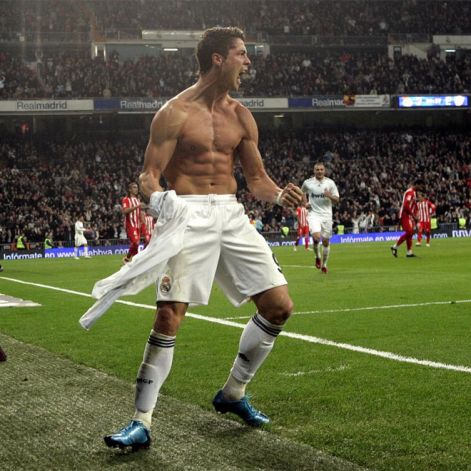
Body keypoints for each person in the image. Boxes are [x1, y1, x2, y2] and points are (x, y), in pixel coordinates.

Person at [104, 26, 303, 451]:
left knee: (279, 306)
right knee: (169, 315)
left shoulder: (242, 116)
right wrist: (160, 200)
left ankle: (233, 393)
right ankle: (140, 421)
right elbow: (148, 177)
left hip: (230, 213)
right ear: (218, 58)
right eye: (242, 54)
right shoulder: (173, 112)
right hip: (187, 213)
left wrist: (279, 195)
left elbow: (256, 179)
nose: (248, 61)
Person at [301, 162, 339, 274]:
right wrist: (305, 203)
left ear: (324, 171)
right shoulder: (308, 182)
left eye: (321, 169)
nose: (319, 171)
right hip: (313, 214)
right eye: (317, 169)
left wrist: (329, 196)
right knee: (317, 237)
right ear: (314, 171)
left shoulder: (330, 183)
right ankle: (317, 257)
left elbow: (337, 200)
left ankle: (324, 264)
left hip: (327, 215)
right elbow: (302, 192)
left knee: (326, 242)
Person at [390, 178, 425, 258]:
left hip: (409, 215)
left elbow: (412, 204)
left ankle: (409, 252)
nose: (421, 188)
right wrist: (413, 215)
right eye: (421, 186)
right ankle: (395, 247)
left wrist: (416, 213)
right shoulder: (410, 192)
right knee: (409, 232)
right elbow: (406, 205)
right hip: (405, 214)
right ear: (417, 185)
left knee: (410, 233)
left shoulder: (414, 193)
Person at [121, 182, 145, 263]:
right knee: (135, 242)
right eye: (134, 187)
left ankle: (127, 259)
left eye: (137, 187)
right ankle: (136, 261)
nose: (136, 189)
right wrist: (137, 206)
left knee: (136, 243)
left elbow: (139, 212)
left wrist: (142, 221)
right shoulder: (126, 199)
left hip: (137, 225)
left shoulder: (137, 200)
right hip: (130, 225)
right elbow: (125, 211)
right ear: (130, 189)